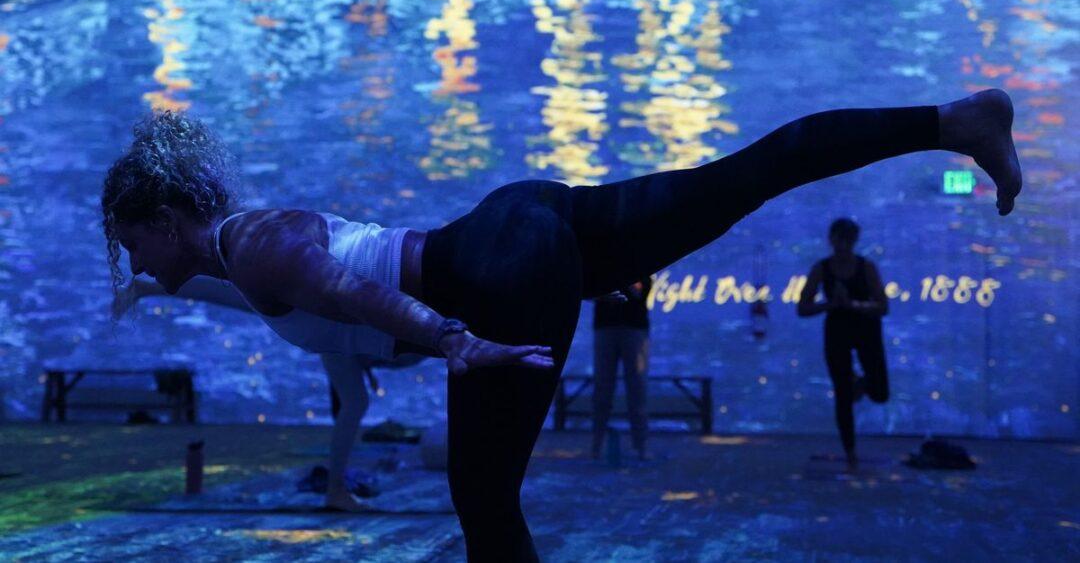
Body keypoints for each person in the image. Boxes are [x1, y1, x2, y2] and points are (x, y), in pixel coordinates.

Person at [101, 88, 1021, 561]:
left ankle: (956, 122)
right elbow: (301, 299)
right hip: (519, 227)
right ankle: (954, 120)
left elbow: (355, 297)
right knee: (741, 178)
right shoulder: (238, 252)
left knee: (483, 502)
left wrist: (459, 343)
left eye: (129, 242)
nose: (129, 259)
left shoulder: (257, 242)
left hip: (496, 271)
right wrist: (158, 293)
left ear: (163, 215)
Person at [111, 274, 425, 511]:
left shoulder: (416, 338)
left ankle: (149, 286)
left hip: (341, 333)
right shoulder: (420, 338)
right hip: (336, 329)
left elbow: (375, 341)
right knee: (242, 297)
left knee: (244, 298)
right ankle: (335, 490)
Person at [796, 218, 889, 469]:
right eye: (838, 240)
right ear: (832, 239)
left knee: (880, 392)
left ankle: (860, 384)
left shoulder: (866, 267)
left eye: (846, 241)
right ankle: (850, 453)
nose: (841, 246)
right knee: (842, 394)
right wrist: (831, 304)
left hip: (865, 327)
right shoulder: (822, 268)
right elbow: (802, 307)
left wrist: (853, 305)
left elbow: (882, 306)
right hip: (837, 328)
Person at [590, 277, 652, 460]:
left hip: (633, 326)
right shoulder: (604, 262)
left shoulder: (639, 259)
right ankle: (597, 445)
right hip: (607, 325)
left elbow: (640, 291)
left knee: (637, 387)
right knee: (602, 388)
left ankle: (640, 446)